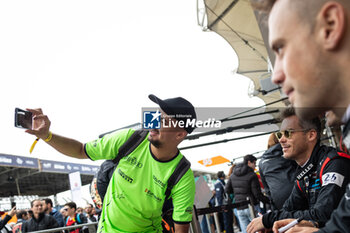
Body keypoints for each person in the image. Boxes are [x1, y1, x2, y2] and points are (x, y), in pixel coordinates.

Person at [25, 94, 196, 233]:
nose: (155, 122)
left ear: (180, 134)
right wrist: (47, 135)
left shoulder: (182, 175)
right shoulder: (130, 139)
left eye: (164, 120)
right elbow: (80, 150)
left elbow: (181, 229)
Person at [251, 0, 350, 232]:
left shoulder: (332, 160)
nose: (276, 75)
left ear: (331, 26)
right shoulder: (305, 170)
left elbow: (327, 215)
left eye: (281, 49)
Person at [247, 107, 350, 233]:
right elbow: (288, 209)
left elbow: (323, 213)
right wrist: (272, 223)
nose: (281, 139)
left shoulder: (333, 162)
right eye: (280, 134)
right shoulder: (304, 171)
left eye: (288, 133)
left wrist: (268, 219)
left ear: (311, 135)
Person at [225, 154, 269, 233]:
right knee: (259, 230)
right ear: (249, 162)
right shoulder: (252, 175)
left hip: (239, 207)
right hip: (252, 207)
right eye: (254, 163)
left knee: (246, 231)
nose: (255, 166)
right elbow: (257, 194)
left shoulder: (233, 175)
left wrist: (236, 192)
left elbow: (227, 190)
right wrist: (268, 200)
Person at [259, 133, 297, 210]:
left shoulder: (262, 162)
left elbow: (267, 188)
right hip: (295, 192)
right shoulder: (289, 153)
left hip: (278, 199)